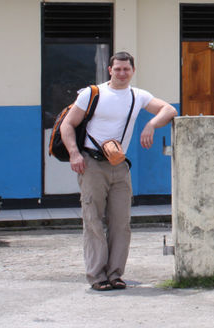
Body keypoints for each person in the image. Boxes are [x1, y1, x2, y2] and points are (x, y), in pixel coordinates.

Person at [60, 51, 176, 292]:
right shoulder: (93, 94)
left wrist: (151, 124)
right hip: (91, 164)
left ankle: (115, 274)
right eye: (118, 69)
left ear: (133, 71)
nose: (122, 73)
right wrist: (74, 153)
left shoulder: (138, 96)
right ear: (110, 70)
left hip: (119, 166)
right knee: (93, 221)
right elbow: (67, 125)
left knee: (121, 223)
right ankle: (97, 276)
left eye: (127, 69)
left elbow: (169, 110)